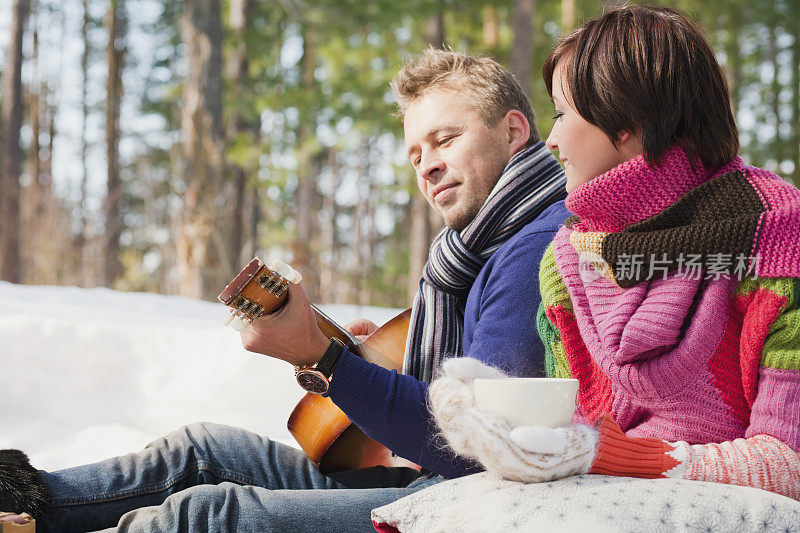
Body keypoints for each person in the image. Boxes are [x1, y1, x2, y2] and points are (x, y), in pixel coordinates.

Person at [0, 48, 571, 532]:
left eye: (445, 139)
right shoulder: (472, 250)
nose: (427, 166)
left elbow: (473, 448)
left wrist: (322, 357)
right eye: (415, 154)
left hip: (470, 502)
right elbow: (439, 408)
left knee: (206, 516)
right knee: (199, 449)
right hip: (432, 474)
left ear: (514, 130)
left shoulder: (530, 249)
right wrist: (361, 362)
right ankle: (16, 504)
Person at [420, 4, 800, 502]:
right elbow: (574, 433)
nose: (551, 139)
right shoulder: (567, 259)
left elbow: (790, 466)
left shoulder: (779, 239)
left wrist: (606, 455)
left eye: (560, 112)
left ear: (625, 120)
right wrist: (492, 414)